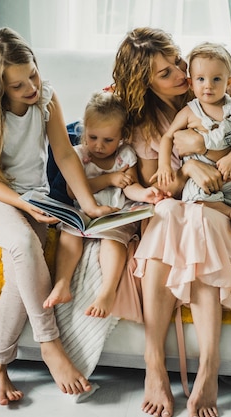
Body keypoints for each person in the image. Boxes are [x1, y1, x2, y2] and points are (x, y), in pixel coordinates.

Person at [112, 27, 231, 417]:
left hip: (223, 205)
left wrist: (204, 148)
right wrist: (191, 169)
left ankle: (210, 366)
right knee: (168, 214)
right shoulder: (147, 122)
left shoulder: (220, 89)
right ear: (145, 83)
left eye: (178, 62)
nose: (182, 75)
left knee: (194, 219)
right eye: (165, 73)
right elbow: (160, 188)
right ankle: (154, 365)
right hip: (182, 207)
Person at [0, 28, 116, 406]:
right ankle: (51, 347)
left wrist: (90, 206)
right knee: (20, 242)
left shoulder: (46, 97)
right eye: (18, 85)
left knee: (22, 263)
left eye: (32, 74)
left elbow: (65, 155)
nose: (31, 86)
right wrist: (21, 203)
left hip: (34, 198)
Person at [44, 90, 164, 318]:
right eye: (92, 137)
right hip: (84, 213)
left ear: (122, 136)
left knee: (113, 242)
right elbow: (73, 190)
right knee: (69, 236)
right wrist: (109, 179)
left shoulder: (126, 155)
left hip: (115, 214)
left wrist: (146, 194)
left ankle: (107, 292)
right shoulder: (78, 155)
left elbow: (130, 186)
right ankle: (62, 283)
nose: (98, 145)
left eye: (108, 140)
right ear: (84, 130)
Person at [154, 42, 231, 219]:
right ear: (191, 83)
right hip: (201, 178)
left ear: (229, 82)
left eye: (216, 79)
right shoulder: (189, 112)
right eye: (201, 79)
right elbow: (168, 136)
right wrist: (163, 165)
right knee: (196, 199)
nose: (208, 85)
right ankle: (228, 213)